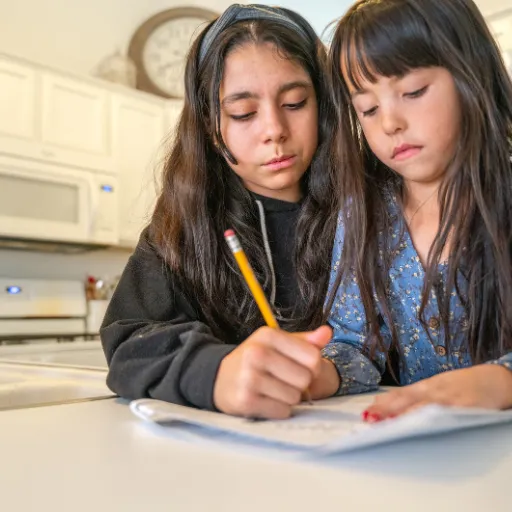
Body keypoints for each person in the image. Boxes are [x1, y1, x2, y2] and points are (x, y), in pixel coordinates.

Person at [100, 4, 338, 420]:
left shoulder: (369, 207)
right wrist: (214, 373)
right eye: (243, 113)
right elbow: (129, 340)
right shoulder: (182, 223)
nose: (274, 130)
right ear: (211, 128)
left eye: (296, 102)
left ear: (324, 104)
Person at [319, 0, 512, 420]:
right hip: (421, 456)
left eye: (412, 92)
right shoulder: (364, 212)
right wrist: (320, 372)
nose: (389, 122)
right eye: (367, 109)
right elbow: (356, 345)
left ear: (470, 73)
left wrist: (502, 380)